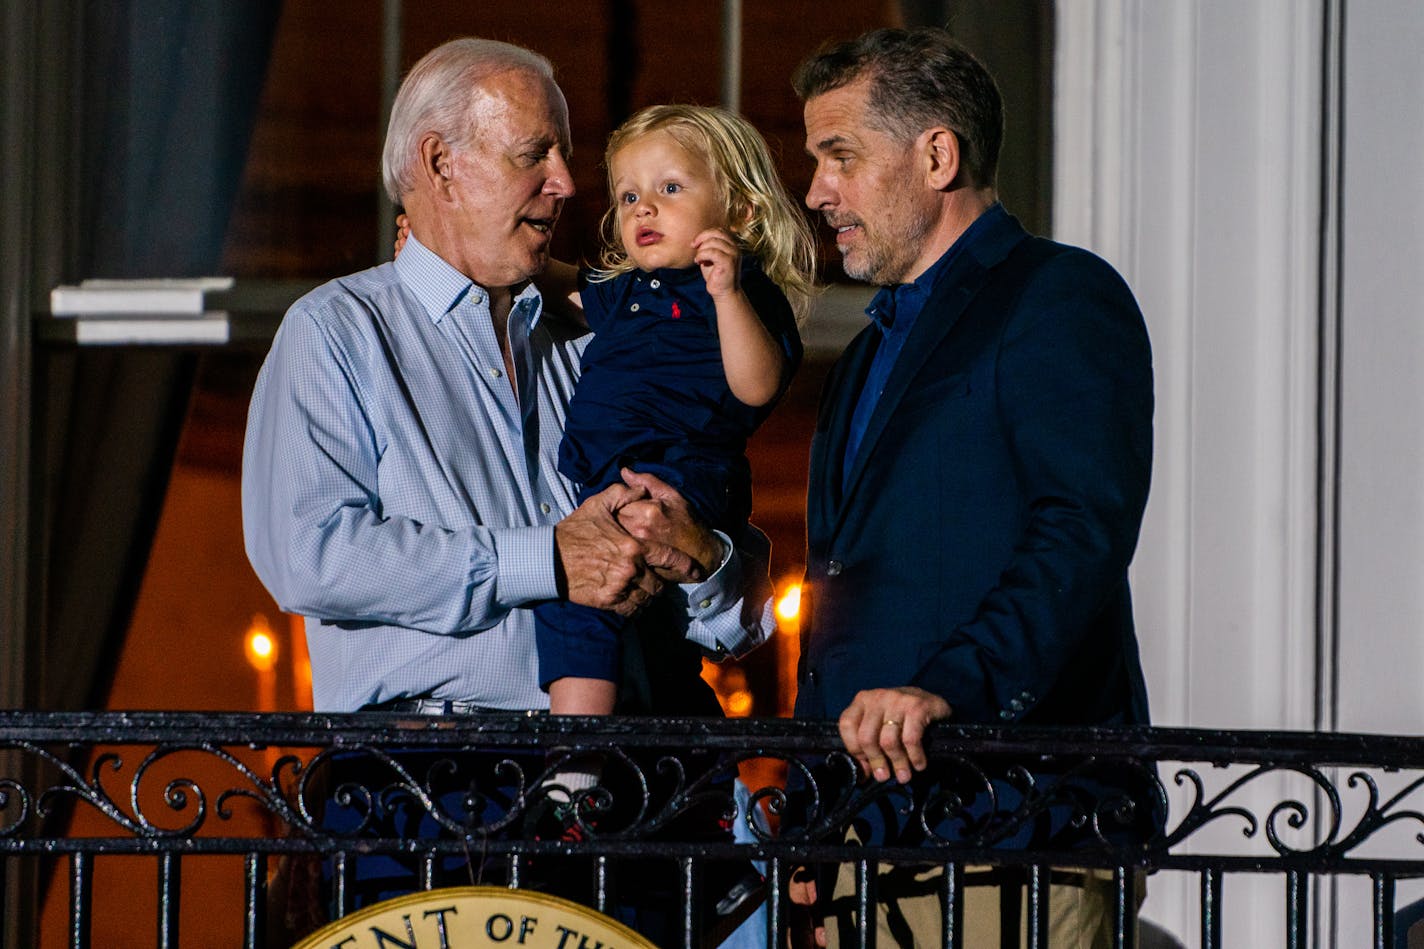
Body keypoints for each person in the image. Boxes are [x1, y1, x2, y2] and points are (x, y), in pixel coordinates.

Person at [241, 36, 772, 939]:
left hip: (642, 791)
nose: (568, 183)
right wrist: (545, 560)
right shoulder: (335, 332)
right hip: (424, 801)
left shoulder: (602, 334)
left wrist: (711, 559)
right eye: (537, 154)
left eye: (563, 156)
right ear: (440, 164)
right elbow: (308, 553)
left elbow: (736, 592)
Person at [784, 27, 1155, 947]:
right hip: (858, 849)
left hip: (1013, 826)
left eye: (840, 156)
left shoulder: (1059, 296)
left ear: (937, 154)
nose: (817, 190)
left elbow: (1080, 532)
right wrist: (810, 814)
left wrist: (951, 690)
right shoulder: (868, 347)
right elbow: (839, 597)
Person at [530, 104, 814, 733]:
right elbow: (554, 281)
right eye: (628, 196)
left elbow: (758, 383)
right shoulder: (628, 290)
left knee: (597, 596)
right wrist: (447, 251)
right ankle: (574, 764)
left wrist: (728, 294)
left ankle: (579, 763)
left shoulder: (742, 292)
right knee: (578, 602)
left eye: (670, 188)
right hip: (607, 481)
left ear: (739, 211)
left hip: (682, 473)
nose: (643, 209)